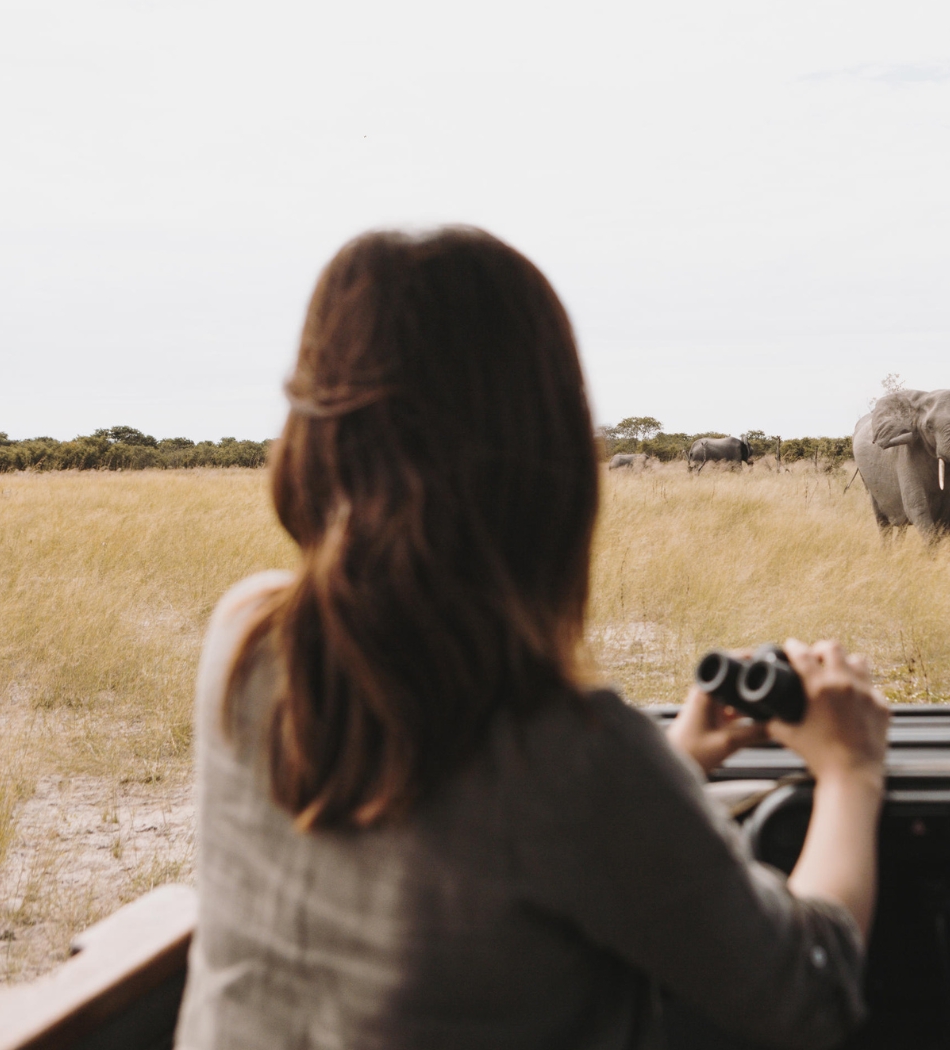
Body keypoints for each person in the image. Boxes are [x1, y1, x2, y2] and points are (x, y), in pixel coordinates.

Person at [174, 227, 892, 1050]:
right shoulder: (569, 755)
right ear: (551, 455)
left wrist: (670, 763)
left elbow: (452, 836)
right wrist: (850, 769)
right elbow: (809, 997)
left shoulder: (245, 633)